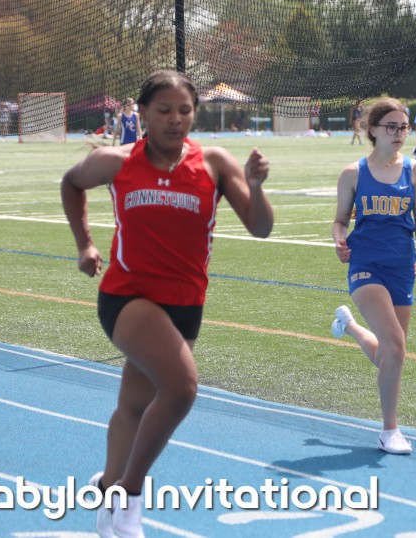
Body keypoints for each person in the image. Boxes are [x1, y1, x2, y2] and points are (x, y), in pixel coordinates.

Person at [60, 70, 273, 537]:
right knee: (181, 388)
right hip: (127, 297)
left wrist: (256, 187)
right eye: (164, 110)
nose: (175, 119)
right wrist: (85, 244)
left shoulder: (214, 162)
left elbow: (260, 228)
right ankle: (130, 498)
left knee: (136, 404)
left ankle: (107, 492)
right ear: (142, 113)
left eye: (184, 111)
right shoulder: (115, 161)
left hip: (186, 303)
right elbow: (71, 183)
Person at [330, 97, 416, 455]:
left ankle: (350, 327)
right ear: (372, 129)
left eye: (403, 127)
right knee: (396, 347)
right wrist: (339, 241)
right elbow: (339, 221)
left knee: (390, 354)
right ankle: (390, 430)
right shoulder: (353, 173)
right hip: (366, 265)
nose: (399, 133)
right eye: (392, 126)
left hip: (402, 266)